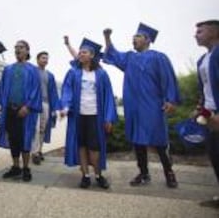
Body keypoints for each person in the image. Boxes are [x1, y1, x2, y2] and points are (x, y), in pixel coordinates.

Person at [102, 23, 180, 188]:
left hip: (153, 106)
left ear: (147, 39)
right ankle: (144, 173)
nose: (133, 39)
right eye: (133, 37)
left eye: (137, 37)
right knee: (138, 141)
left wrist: (170, 100)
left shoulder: (159, 57)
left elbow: (168, 79)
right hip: (133, 106)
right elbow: (113, 55)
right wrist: (107, 38)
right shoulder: (130, 58)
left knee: (159, 141)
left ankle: (169, 173)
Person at [61, 38, 117, 189]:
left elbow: (109, 97)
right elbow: (67, 91)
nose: (80, 54)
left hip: (95, 116)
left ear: (92, 55)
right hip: (78, 116)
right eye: (79, 52)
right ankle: (85, 175)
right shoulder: (73, 73)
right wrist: (65, 107)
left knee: (95, 147)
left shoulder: (101, 75)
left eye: (84, 52)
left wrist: (108, 118)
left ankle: (98, 175)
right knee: (82, 146)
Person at [0, 40, 42, 182]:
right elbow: (2, 88)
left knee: (25, 139)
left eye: (21, 47)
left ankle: (26, 168)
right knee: (13, 139)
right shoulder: (8, 69)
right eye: (16, 48)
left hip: (25, 111)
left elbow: (36, 90)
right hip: (10, 108)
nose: (18, 50)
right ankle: (16, 167)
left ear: (27, 51)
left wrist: (27, 106)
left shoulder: (33, 70)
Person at [194, 20, 219, 208]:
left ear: (213, 32)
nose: (196, 35)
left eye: (200, 31)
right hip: (209, 114)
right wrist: (200, 106)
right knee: (215, 154)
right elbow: (204, 87)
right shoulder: (202, 60)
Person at [31, 51, 60, 165]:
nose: (45, 60)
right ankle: (35, 153)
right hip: (35, 103)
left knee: (43, 129)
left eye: (47, 58)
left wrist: (55, 108)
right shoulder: (32, 72)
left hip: (46, 104)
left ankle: (39, 150)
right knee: (36, 128)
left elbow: (53, 92)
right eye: (43, 58)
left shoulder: (50, 75)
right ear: (37, 59)